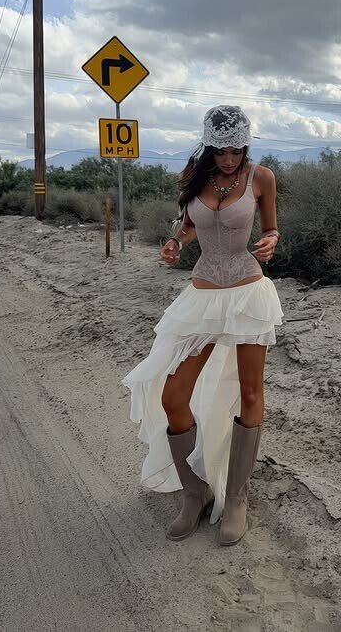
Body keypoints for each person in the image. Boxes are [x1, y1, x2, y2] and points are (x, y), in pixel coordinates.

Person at [121, 105, 284, 546]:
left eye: (236, 150)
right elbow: (191, 224)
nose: (228, 159)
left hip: (247, 294)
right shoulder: (197, 176)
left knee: (250, 394)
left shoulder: (261, 177)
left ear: (245, 146)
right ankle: (195, 492)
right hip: (202, 296)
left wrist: (269, 241)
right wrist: (175, 241)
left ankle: (236, 497)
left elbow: (272, 228)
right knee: (173, 397)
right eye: (220, 150)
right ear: (208, 146)